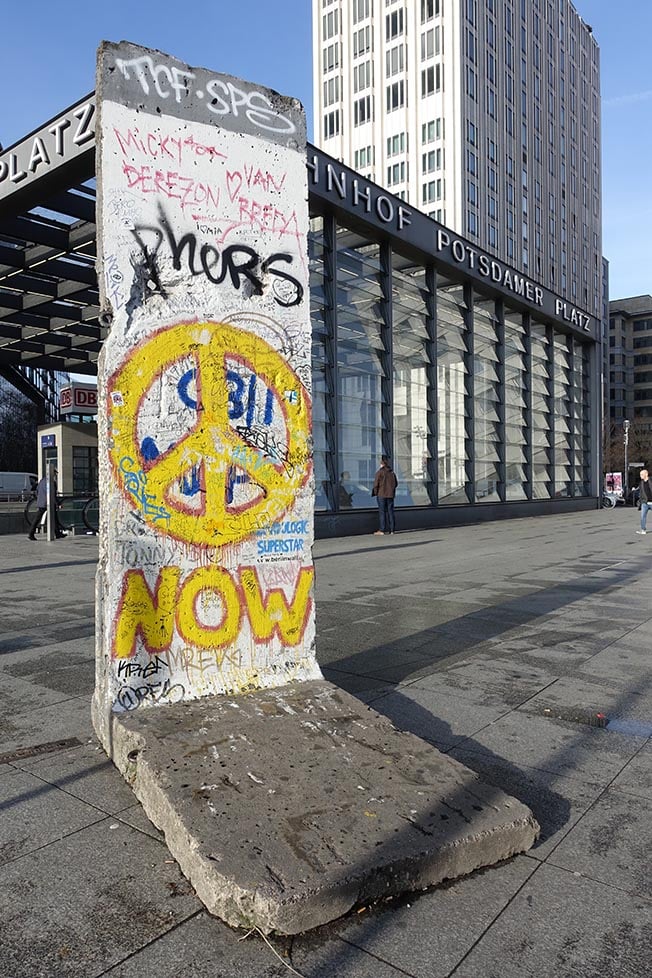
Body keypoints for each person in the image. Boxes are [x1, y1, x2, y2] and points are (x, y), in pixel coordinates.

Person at [27, 470, 65, 540]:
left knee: (38, 518)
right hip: (49, 502)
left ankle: (31, 533)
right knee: (54, 518)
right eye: (55, 474)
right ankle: (57, 533)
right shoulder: (52, 482)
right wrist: (58, 503)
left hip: (41, 502)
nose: (55, 475)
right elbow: (53, 494)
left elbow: (37, 491)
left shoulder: (41, 481)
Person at [372, 455, 398, 535]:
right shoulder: (392, 473)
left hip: (381, 495)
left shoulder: (379, 472)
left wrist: (376, 493)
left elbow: (376, 484)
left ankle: (382, 530)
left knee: (382, 512)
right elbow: (396, 484)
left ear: (381, 463)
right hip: (390, 495)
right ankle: (392, 530)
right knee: (390, 512)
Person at [636, 468, 652, 535]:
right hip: (645, 502)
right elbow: (640, 491)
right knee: (643, 516)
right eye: (640, 474)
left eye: (642, 474)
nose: (640, 476)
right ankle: (643, 530)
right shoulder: (641, 483)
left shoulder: (651, 480)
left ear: (646, 474)